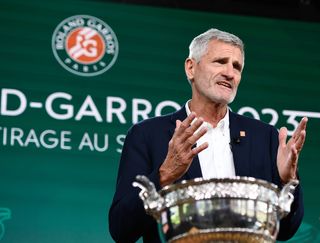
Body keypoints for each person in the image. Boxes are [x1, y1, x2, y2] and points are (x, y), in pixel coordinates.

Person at [109, 28, 308, 243]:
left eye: (237, 66)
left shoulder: (265, 137)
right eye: (220, 62)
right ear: (191, 68)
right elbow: (121, 229)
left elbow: (285, 230)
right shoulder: (148, 135)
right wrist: (164, 175)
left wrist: (289, 182)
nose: (230, 73)